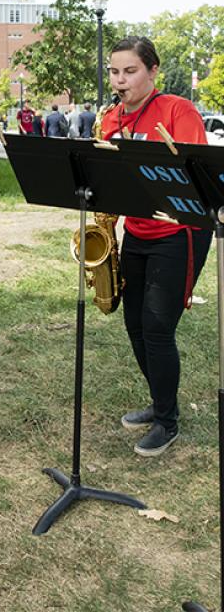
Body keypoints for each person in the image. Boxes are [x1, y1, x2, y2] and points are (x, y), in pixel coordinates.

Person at [100, 35, 212, 457]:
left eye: (130, 71)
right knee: (134, 325)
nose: (120, 80)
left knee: (157, 328)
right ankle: (161, 400)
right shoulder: (111, 119)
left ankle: (168, 420)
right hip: (137, 232)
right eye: (114, 71)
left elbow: (193, 176)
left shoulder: (177, 110)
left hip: (179, 232)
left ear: (152, 71)